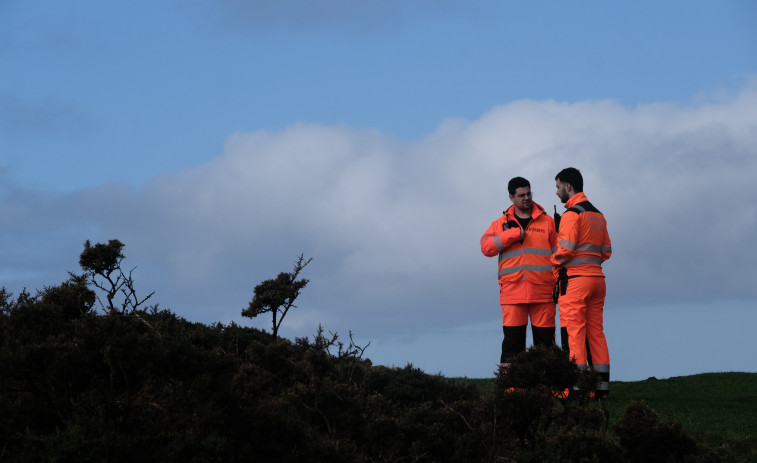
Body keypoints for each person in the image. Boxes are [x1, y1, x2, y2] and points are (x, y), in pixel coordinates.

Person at [480, 176, 558, 369]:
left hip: (543, 292)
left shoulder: (548, 222)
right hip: (513, 293)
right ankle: (512, 390)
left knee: (546, 343)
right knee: (512, 345)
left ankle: (549, 387)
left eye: (529, 193)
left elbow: (559, 255)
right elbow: (486, 248)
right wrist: (510, 235)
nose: (526, 198)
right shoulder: (500, 224)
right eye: (521, 195)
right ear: (511, 197)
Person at [552, 167, 612, 398]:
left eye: (558, 187)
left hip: (575, 282)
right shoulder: (598, 215)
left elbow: (564, 250)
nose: (557, 192)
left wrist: (552, 260)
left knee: (574, 334)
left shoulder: (571, 215)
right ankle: (600, 390)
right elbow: (606, 251)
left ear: (568, 186)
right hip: (598, 280)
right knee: (596, 333)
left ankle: (574, 390)